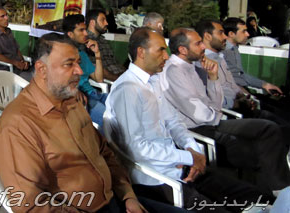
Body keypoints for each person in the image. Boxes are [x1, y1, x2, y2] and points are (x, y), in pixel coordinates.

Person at [0, 33, 184, 213]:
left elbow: (104, 152)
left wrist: (127, 195)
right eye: (69, 64)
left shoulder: (72, 103)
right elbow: (31, 204)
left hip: (117, 200)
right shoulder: (18, 124)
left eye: (78, 62)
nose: (80, 71)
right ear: (42, 69)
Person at [107, 28, 272, 211]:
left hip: (180, 166)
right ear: (141, 52)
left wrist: (193, 150)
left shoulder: (153, 81)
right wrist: (187, 156)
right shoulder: (128, 89)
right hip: (157, 179)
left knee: (256, 196)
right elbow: (136, 148)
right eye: (161, 50)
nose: (166, 56)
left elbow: (173, 122)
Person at [159, 28, 290, 194]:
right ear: (183, 50)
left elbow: (215, 103)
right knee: (261, 150)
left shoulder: (192, 66)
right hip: (198, 130)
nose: (203, 47)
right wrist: (217, 112)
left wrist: (213, 77)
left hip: (213, 121)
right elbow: (200, 115)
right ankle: (277, 192)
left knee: (269, 129)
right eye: (198, 44)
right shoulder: (173, 71)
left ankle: (280, 189)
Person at [198, 20, 290, 133]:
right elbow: (214, 96)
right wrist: (240, 101)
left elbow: (233, 83)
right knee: (274, 125)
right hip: (230, 112)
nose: (225, 37)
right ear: (207, 36)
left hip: (241, 103)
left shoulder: (220, 56)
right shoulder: (203, 62)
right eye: (221, 33)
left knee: (278, 116)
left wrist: (246, 97)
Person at [63, 14, 107, 128]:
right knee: (108, 119)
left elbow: (99, 79)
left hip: (95, 94)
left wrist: (97, 53)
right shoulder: (63, 57)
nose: (86, 33)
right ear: (70, 34)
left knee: (121, 108)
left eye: (85, 30)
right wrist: (74, 90)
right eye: (81, 30)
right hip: (84, 99)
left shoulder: (82, 54)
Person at [0, 7, 29, 75]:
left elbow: (17, 49)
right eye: (2, 16)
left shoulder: (8, 31)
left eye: (6, 15)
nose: (7, 18)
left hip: (18, 67)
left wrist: (22, 61)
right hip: (7, 70)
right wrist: (15, 63)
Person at [86, 8, 126, 81]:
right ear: (92, 22)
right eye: (102, 20)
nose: (106, 23)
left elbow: (114, 62)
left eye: (106, 20)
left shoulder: (102, 40)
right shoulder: (87, 42)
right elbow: (95, 68)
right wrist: (120, 80)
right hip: (112, 80)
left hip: (121, 76)